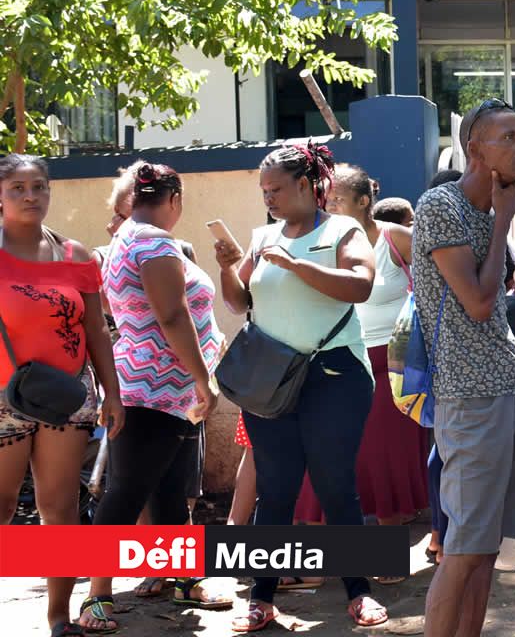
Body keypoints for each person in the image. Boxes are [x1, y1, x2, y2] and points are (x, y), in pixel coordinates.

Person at [214, 143, 387, 632]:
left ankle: (358, 591)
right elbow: (238, 301)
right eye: (263, 191)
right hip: (271, 379)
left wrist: (294, 265)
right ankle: (261, 597)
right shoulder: (262, 236)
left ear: (309, 186)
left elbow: (360, 284)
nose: (268, 198)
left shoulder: (341, 230)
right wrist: (228, 266)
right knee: (275, 489)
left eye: (276, 189)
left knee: (334, 483)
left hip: (335, 374)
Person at [85, 162, 232, 624]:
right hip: (155, 389)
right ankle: (96, 597)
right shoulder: (153, 242)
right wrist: (203, 378)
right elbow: (172, 315)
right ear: (174, 199)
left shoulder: (126, 238)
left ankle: (185, 580)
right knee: (127, 493)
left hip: (161, 390)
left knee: (169, 491)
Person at [416, 98, 515, 637]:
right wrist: (505, 217)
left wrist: (499, 217)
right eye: (508, 137)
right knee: (464, 546)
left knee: (488, 547)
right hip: (470, 396)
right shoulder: (441, 206)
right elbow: (481, 303)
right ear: (474, 149)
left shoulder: (487, 212)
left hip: (509, 387)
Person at [0, 154, 124, 637]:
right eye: (17, 188)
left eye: (39, 186)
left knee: (61, 510)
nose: (31, 196)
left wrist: (112, 394)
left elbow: (96, 330)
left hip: (68, 397)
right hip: (4, 398)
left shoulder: (77, 256)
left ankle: (58, 617)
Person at [293, 164, 427, 565]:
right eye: (326, 200)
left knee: (385, 456)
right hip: (337, 360)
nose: (330, 207)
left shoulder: (396, 238)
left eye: (337, 200)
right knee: (327, 455)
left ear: (364, 201)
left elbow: (438, 287)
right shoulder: (321, 242)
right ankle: (319, 560)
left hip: (392, 364)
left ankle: (387, 553)